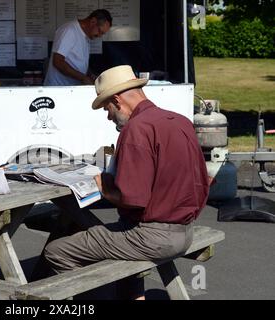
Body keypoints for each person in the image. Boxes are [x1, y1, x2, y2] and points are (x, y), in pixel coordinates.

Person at [44, 65, 210, 299]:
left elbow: (133, 198)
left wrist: (106, 189)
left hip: (152, 237)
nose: (108, 115)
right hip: (185, 230)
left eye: (107, 108)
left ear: (117, 100)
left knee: (58, 251)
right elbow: (202, 182)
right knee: (116, 239)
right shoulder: (180, 121)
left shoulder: (136, 129)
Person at [44, 9, 112, 86]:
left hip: (71, 89)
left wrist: (90, 75)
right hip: (58, 89)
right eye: (100, 31)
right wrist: (83, 78)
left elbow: (78, 63)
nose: (99, 36)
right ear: (93, 21)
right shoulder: (69, 30)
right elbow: (58, 61)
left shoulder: (86, 36)